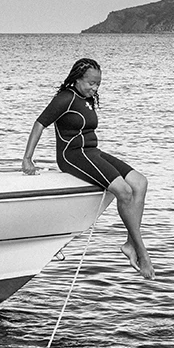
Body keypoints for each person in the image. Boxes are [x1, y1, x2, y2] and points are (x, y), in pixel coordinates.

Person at [22, 57, 153, 280]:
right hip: (73, 155)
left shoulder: (85, 99)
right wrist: (27, 159)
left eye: (98, 84)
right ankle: (141, 251)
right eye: (91, 83)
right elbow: (39, 124)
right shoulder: (64, 99)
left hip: (92, 151)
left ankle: (130, 244)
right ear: (77, 79)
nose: (95, 88)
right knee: (124, 191)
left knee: (140, 182)